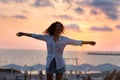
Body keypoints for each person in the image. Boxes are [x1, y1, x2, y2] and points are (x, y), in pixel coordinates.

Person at [16, 21, 96, 80]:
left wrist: (89, 42)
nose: (59, 28)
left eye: (60, 27)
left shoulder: (64, 39)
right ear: (53, 28)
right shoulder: (47, 37)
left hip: (60, 63)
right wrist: (23, 33)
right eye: (57, 26)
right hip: (50, 63)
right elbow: (35, 35)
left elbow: (77, 42)